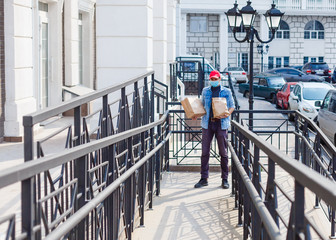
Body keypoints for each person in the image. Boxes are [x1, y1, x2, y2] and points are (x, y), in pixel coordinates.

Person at [193, 70, 235, 189]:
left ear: (219, 79)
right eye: (212, 79)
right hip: (207, 124)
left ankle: (225, 179)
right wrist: (196, 114)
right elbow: (202, 106)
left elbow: (232, 106)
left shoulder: (226, 91)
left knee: (223, 152)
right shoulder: (205, 91)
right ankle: (204, 178)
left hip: (221, 124)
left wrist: (227, 113)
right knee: (205, 152)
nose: (214, 81)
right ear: (209, 80)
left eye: (216, 79)